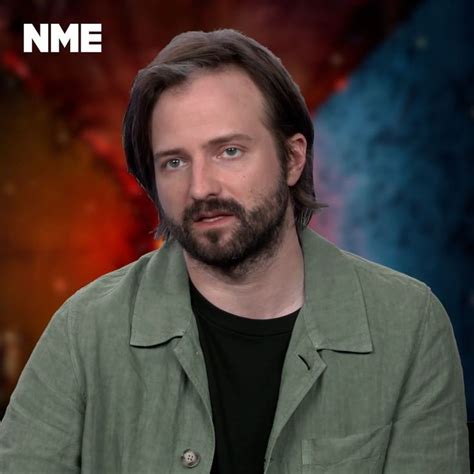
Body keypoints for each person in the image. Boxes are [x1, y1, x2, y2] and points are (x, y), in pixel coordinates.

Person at [0, 29, 469, 473]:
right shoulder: (84, 332)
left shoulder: (409, 327)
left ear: (293, 158)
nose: (200, 187)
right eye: (175, 161)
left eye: (229, 151)